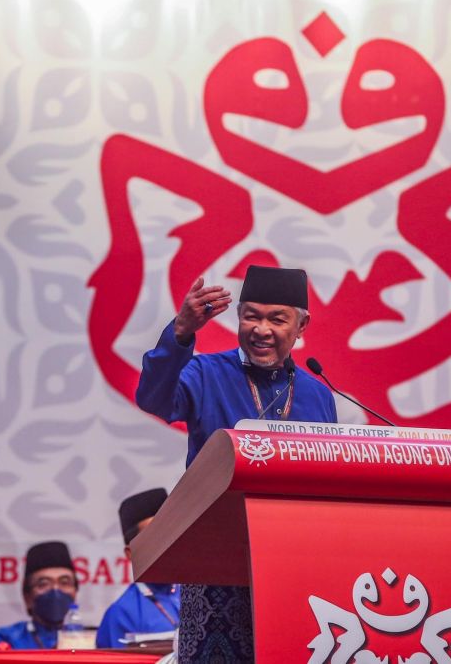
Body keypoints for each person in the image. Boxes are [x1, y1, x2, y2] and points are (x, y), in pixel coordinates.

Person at [136, 265, 338, 662]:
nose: (262, 329)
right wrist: (181, 332)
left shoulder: (318, 394)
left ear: (301, 326)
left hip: (293, 564)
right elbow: (153, 399)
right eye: (251, 317)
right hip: (215, 564)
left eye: (277, 319)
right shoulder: (205, 373)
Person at [96, 488, 180, 648]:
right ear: (131, 553)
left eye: (169, 531)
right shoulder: (121, 614)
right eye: (153, 536)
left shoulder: (199, 594)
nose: (166, 542)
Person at [0, 541, 79, 650]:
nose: (55, 590)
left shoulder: (87, 639)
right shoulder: (4, 639)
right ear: (27, 597)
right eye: (44, 583)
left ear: (75, 592)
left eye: (64, 582)